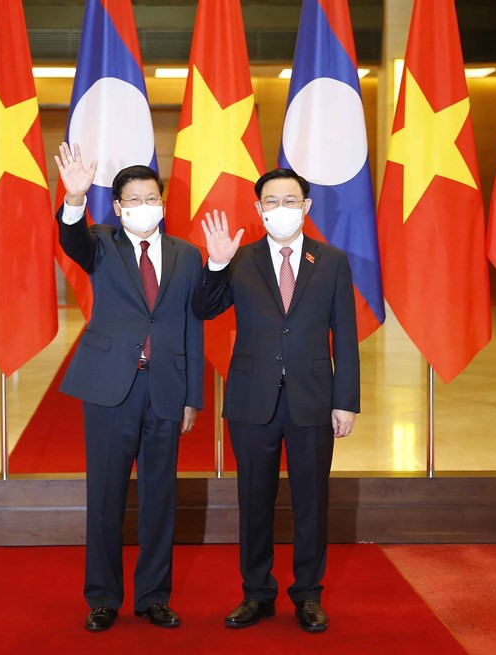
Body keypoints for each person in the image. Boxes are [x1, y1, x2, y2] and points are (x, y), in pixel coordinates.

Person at [192, 167, 359, 633]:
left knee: (311, 500)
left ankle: (308, 594)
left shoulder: (331, 262)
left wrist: (345, 400)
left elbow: (345, 334)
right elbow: (203, 309)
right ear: (258, 209)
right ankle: (256, 594)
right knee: (254, 499)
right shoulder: (239, 258)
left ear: (305, 208)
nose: (280, 209)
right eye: (271, 201)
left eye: (290, 201)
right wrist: (217, 264)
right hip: (251, 400)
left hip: (312, 398)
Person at [54, 143, 204, 632]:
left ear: (163, 202)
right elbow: (72, 239)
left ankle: (153, 596)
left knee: (160, 498)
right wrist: (74, 199)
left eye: (151, 198)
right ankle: (102, 597)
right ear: (118, 207)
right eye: (133, 200)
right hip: (109, 389)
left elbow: (191, 325)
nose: (144, 206)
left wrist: (192, 395)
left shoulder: (187, 255)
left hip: (165, 388)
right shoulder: (101, 242)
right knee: (106, 496)